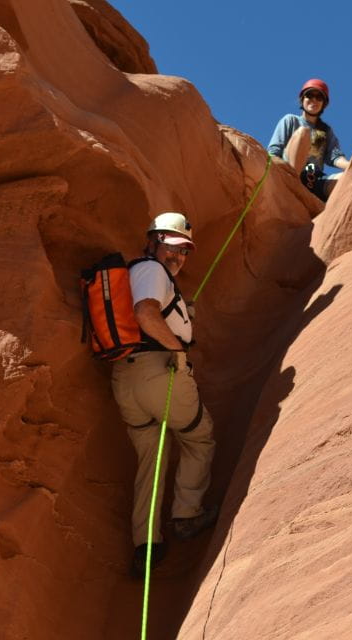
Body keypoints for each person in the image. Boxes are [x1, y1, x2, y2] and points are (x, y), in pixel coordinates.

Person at [111, 212, 219, 577]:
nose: (178, 256)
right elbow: (145, 313)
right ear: (153, 241)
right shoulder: (152, 271)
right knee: (199, 436)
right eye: (172, 247)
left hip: (126, 379)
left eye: (184, 250)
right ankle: (187, 515)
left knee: (152, 457)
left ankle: (147, 545)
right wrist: (176, 349)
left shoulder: (140, 273)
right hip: (158, 370)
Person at [268, 78, 351, 201]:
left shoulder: (325, 130)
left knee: (348, 180)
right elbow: (273, 152)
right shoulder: (290, 120)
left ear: (324, 104)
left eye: (319, 97)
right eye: (310, 95)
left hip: (313, 179)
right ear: (302, 99)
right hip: (289, 172)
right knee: (303, 132)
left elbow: (334, 156)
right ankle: (293, 186)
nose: (314, 100)